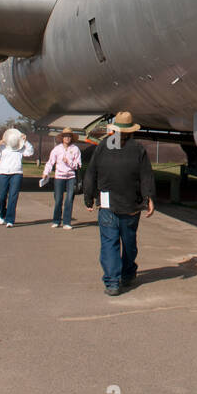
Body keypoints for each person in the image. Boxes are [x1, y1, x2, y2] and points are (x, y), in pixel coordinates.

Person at [83, 112, 154, 295]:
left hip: (107, 204)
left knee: (109, 243)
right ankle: (128, 274)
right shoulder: (138, 149)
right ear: (131, 130)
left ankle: (113, 282)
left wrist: (88, 197)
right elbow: (146, 175)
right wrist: (148, 198)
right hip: (131, 204)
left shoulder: (102, 147)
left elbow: (91, 173)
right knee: (129, 241)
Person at [0, 127, 34, 228]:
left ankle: (10, 219)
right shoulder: (3, 147)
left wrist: (26, 141)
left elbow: (30, 152)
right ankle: (2, 214)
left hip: (16, 173)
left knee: (13, 196)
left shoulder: (21, 148)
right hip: (3, 173)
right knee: (1, 196)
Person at [42, 128, 83, 229]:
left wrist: (69, 161)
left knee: (69, 199)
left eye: (69, 136)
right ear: (62, 138)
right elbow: (50, 162)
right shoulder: (57, 149)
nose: (67, 138)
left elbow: (78, 165)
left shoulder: (75, 149)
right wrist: (45, 173)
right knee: (58, 199)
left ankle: (67, 222)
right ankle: (56, 220)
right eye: (65, 136)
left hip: (71, 177)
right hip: (59, 176)